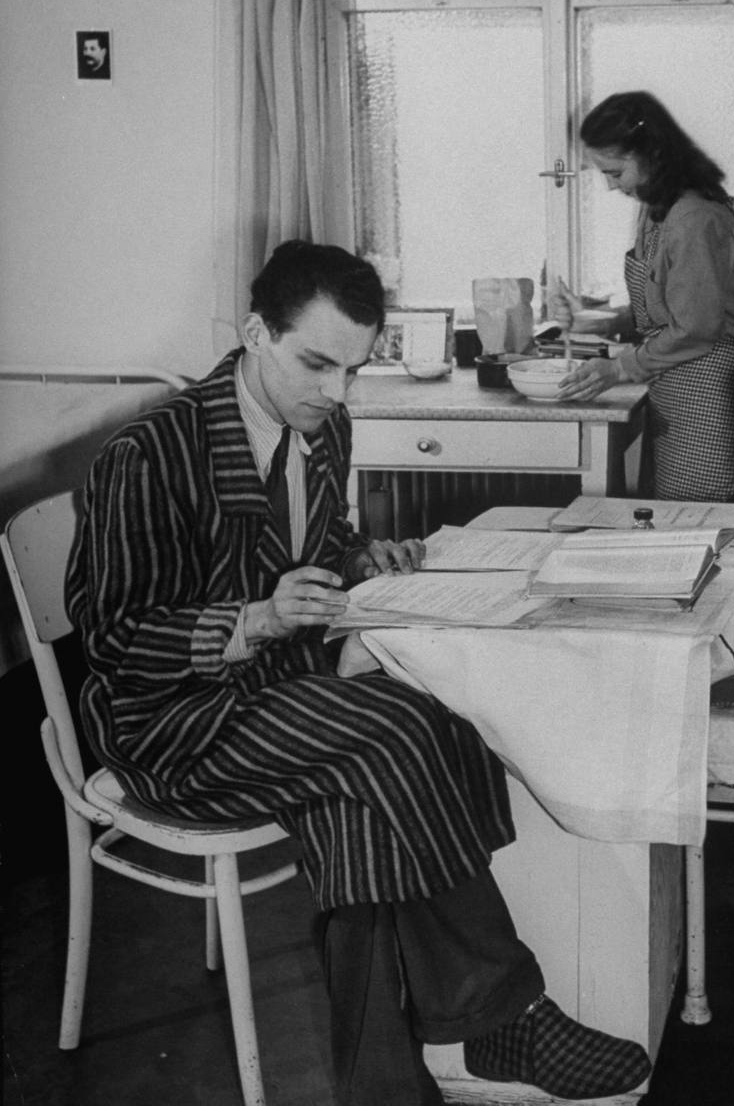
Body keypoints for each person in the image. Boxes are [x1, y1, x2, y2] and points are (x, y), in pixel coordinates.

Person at [65, 240, 651, 1106]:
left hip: (274, 695)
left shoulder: (323, 423)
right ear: (257, 332)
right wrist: (256, 619)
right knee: (395, 730)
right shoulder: (151, 454)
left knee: (393, 764)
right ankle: (500, 1016)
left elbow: (307, 548)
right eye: (315, 364)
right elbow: (110, 637)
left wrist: (358, 555)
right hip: (170, 720)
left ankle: (386, 1089)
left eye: (352, 368)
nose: (335, 393)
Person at [551, 90, 734, 503]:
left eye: (615, 173)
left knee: (701, 520)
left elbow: (696, 327)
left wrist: (618, 370)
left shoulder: (693, 218)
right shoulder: (659, 209)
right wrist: (589, 317)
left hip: (709, 386)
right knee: (674, 515)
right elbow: (663, 309)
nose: (610, 186)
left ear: (652, 153)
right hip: (679, 382)